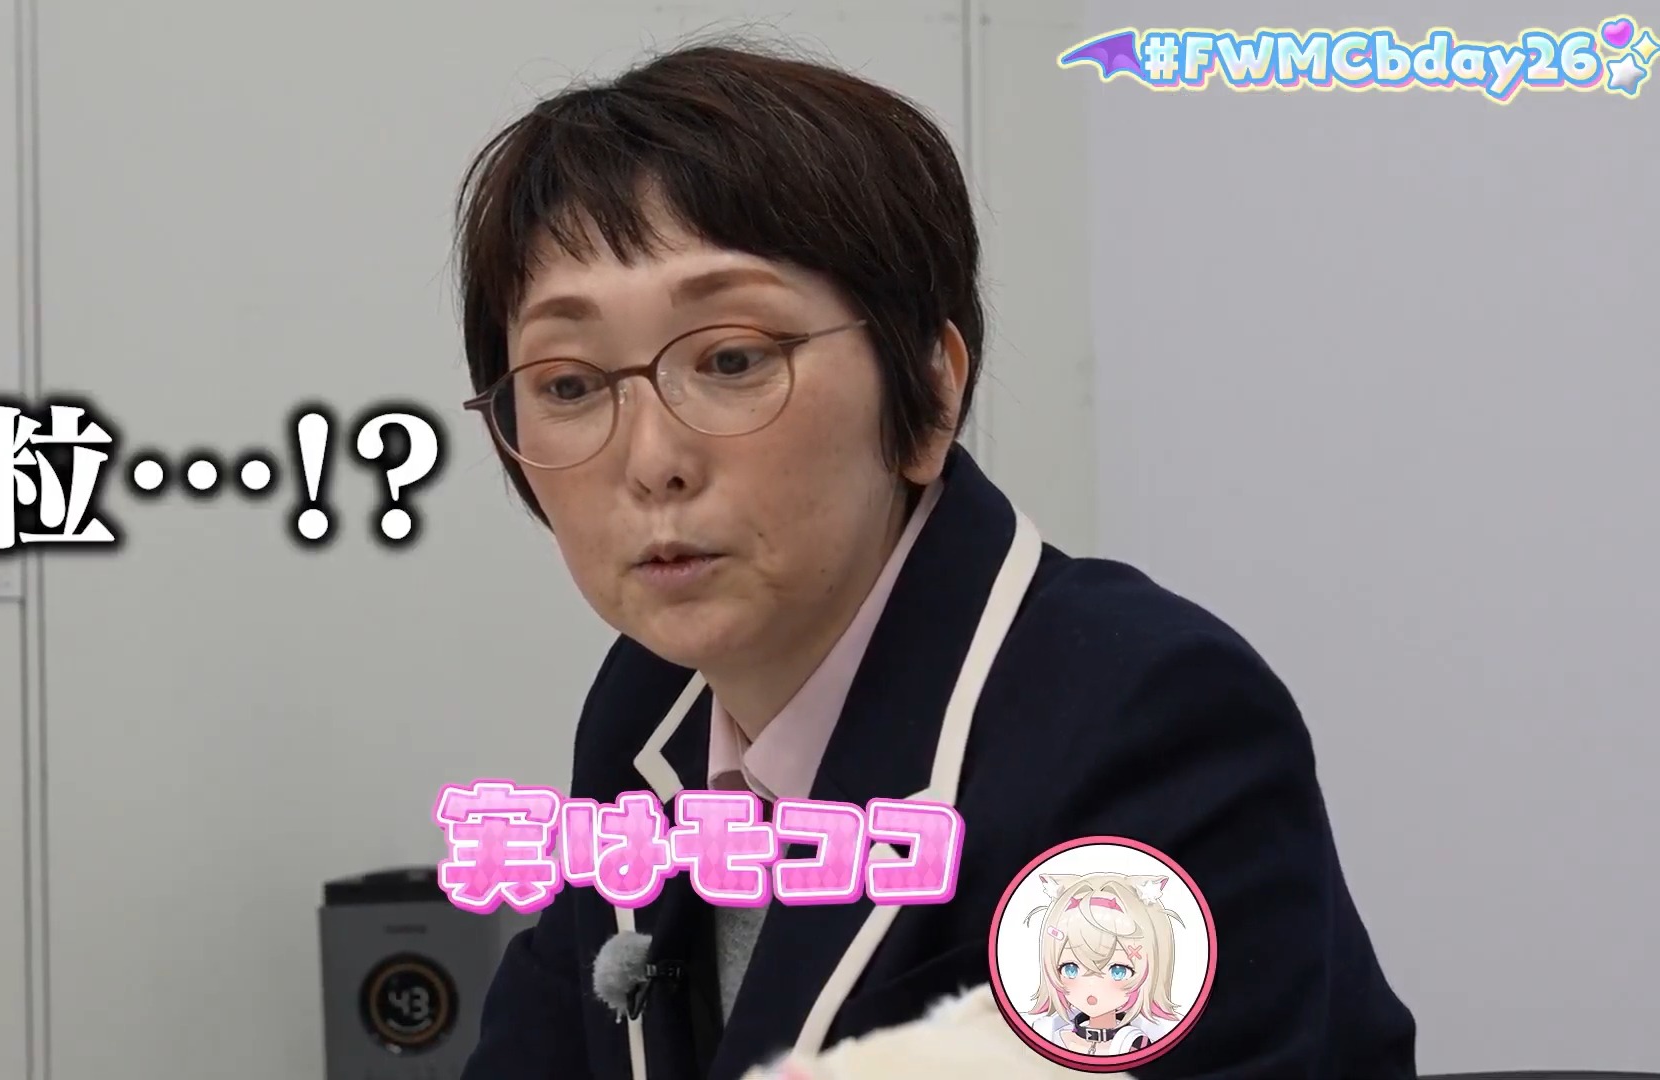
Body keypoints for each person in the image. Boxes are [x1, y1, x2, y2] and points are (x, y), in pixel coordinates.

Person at [450, 40, 1417, 1080]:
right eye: (568, 384)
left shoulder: (1143, 722)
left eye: (731, 359)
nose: (652, 462)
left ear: (930, 393)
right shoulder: (651, 707)